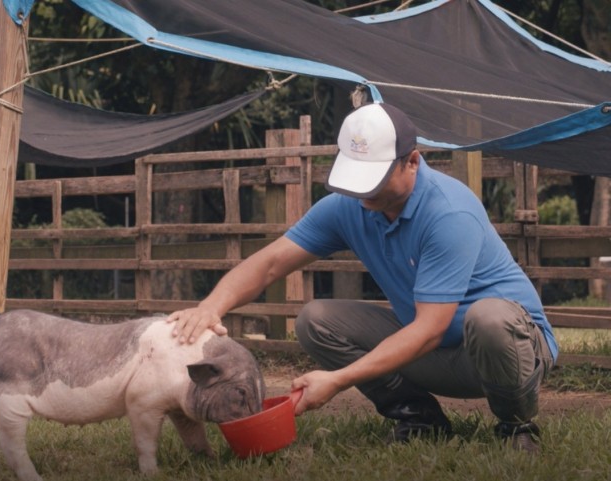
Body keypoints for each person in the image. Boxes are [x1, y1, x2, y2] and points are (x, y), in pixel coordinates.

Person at [167, 102, 558, 452]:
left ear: (413, 161)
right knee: (316, 320)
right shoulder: (350, 205)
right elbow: (272, 262)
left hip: (511, 351)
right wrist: (209, 307)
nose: (361, 190)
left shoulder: (448, 214)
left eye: (374, 175)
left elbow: (430, 330)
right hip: (435, 349)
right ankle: (419, 418)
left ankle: (516, 424)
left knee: (488, 318)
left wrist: (337, 380)